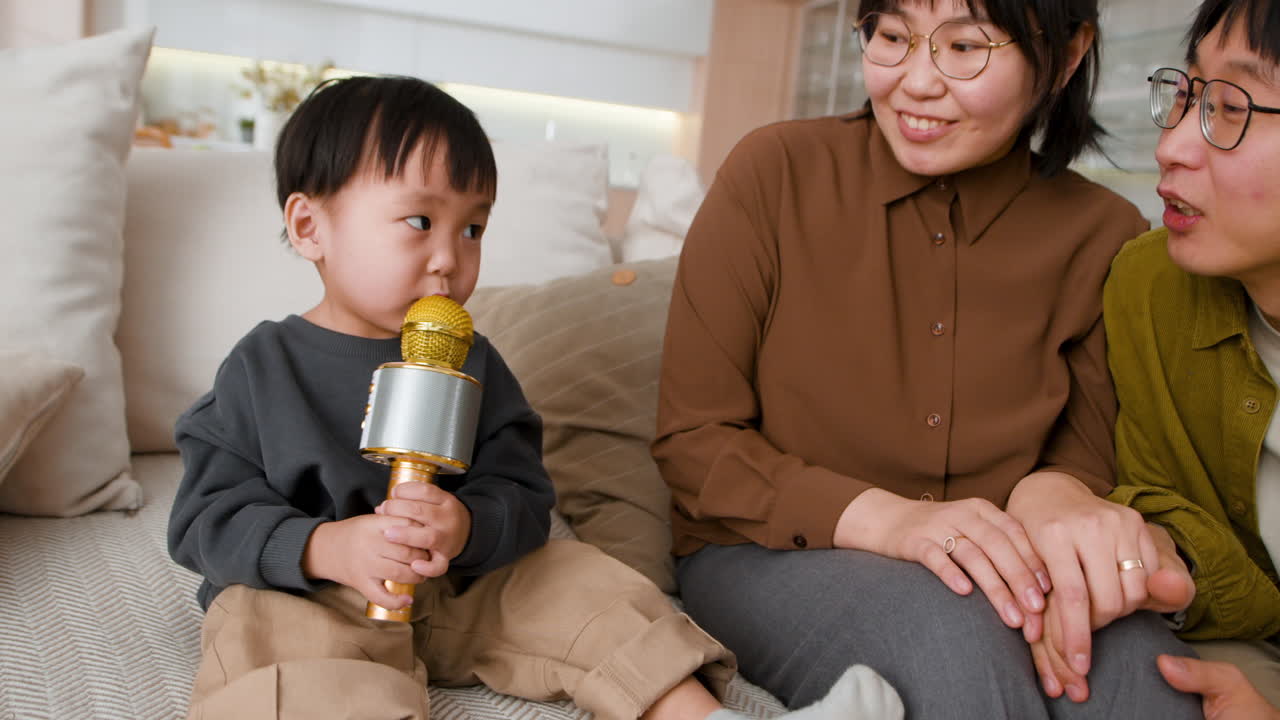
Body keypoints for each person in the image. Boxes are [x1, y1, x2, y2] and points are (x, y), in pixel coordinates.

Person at [166, 75, 901, 720]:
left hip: (459, 589)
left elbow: (521, 491)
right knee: (261, 628)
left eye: (473, 227)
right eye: (420, 221)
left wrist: (464, 525)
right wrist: (325, 546)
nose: (450, 258)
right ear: (309, 227)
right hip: (316, 591)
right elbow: (205, 516)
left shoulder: (475, 361)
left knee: (577, 577)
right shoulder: (262, 366)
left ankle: (703, 717)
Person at [653, 0, 1205, 717]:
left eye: (965, 46)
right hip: (766, 555)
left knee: (1145, 672)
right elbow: (694, 442)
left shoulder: (1105, 236)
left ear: (1066, 59)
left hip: (1004, 567)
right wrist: (893, 522)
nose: (916, 82)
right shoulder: (775, 171)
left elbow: (1083, 461)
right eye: (890, 37)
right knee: (952, 640)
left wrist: (1052, 541)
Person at [1039, 0, 1280, 714]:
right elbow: (1154, 488)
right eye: (1186, 95)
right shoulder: (1150, 285)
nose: (1173, 145)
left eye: (1232, 108)